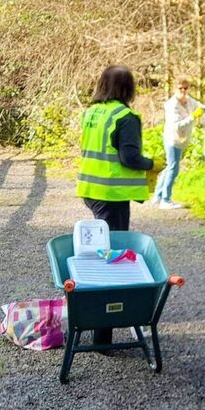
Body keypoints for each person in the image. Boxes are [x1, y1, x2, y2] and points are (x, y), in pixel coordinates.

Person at [76, 65, 154, 349]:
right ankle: (103, 336)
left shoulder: (92, 113)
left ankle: (99, 328)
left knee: (102, 255)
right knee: (112, 260)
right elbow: (129, 157)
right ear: (128, 88)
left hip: (92, 190)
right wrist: (153, 163)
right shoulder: (125, 116)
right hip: (111, 195)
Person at [154, 79, 204, 209]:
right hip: (173, 139)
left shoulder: (189, 101)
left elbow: (201, 107)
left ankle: (158, 195)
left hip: (181, 140)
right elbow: (177, 126)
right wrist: (192, 117)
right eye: (180, 88)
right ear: (175, 89)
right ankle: (166, 199)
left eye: (186, 88)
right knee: (173, 168)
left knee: (170, 166)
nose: (183, 91)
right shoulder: (172, 105)